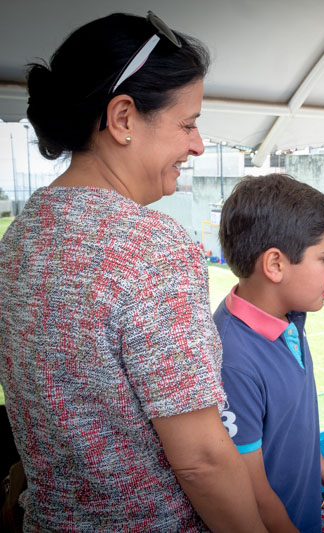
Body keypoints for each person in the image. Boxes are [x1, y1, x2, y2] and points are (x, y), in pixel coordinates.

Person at [0, 13, 266, 532]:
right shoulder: (150, 248)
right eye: (187, 124)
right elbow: (202, 460)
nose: (198, 145)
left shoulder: (21, 234)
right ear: (122, 118)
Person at [215, 174, 324, 533]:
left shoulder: (291, 316)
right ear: (275, 264)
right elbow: (252, 491)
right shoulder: (232, 361)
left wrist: (319, 468)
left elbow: (285, 430)